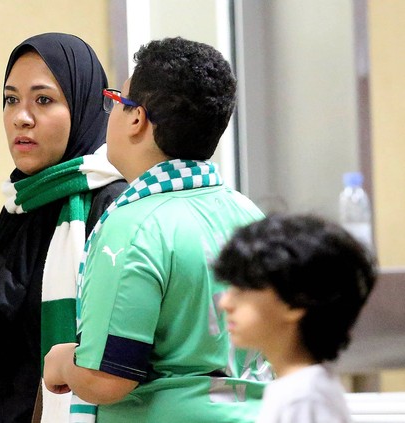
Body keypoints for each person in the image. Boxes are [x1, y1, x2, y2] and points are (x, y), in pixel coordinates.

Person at [44, 37, 272, 422]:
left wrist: (64, 363)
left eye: (117, 100)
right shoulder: (248, 215)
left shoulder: (132, 226)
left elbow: (108, 378)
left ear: (137, 118)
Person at [0, 32, 126, 423]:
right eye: (11, 99)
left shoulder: (110, 207)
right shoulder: (20, 207)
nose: (21, 116)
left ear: (84, 106)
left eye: (43, 100)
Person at [213, 213, 377, 423]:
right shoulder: (295, 388)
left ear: (295, 301)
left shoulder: (303, 398)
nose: (225, 303)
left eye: (242, 289)